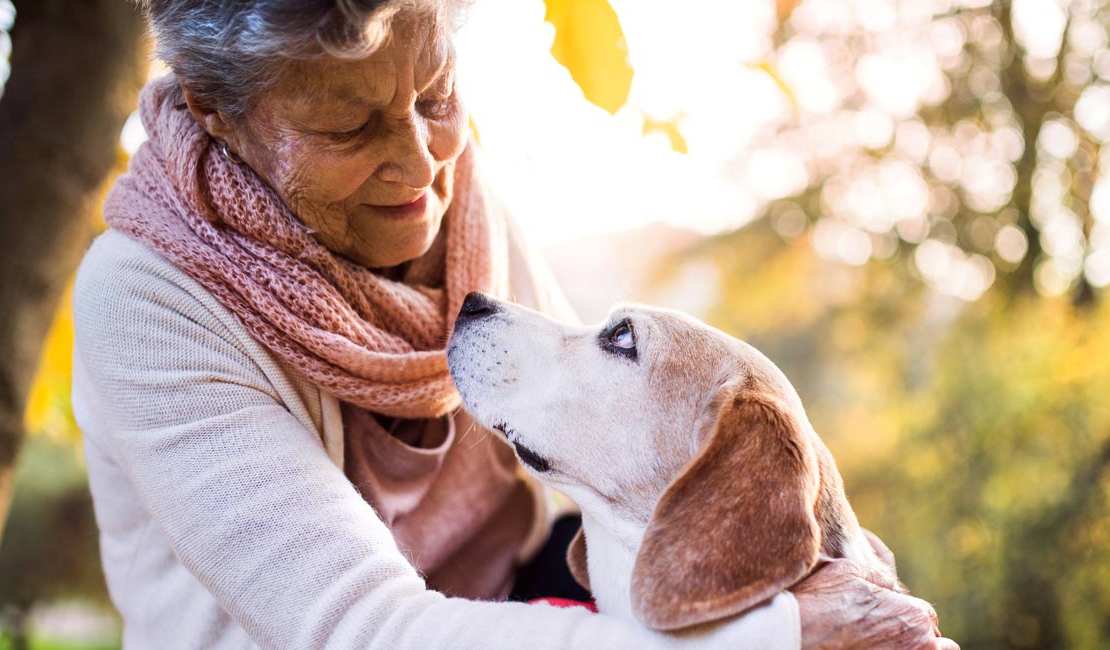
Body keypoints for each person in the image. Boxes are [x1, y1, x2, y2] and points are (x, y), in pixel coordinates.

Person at [71, 1, 958, 648]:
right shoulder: (144, 301)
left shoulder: (452, 193)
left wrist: (829, 561)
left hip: (534, 595)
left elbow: (600, 442)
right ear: (214, 112)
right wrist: (773, 636)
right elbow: (361, 630)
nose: (421, 161)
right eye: (351, 126)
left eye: (436, 94)